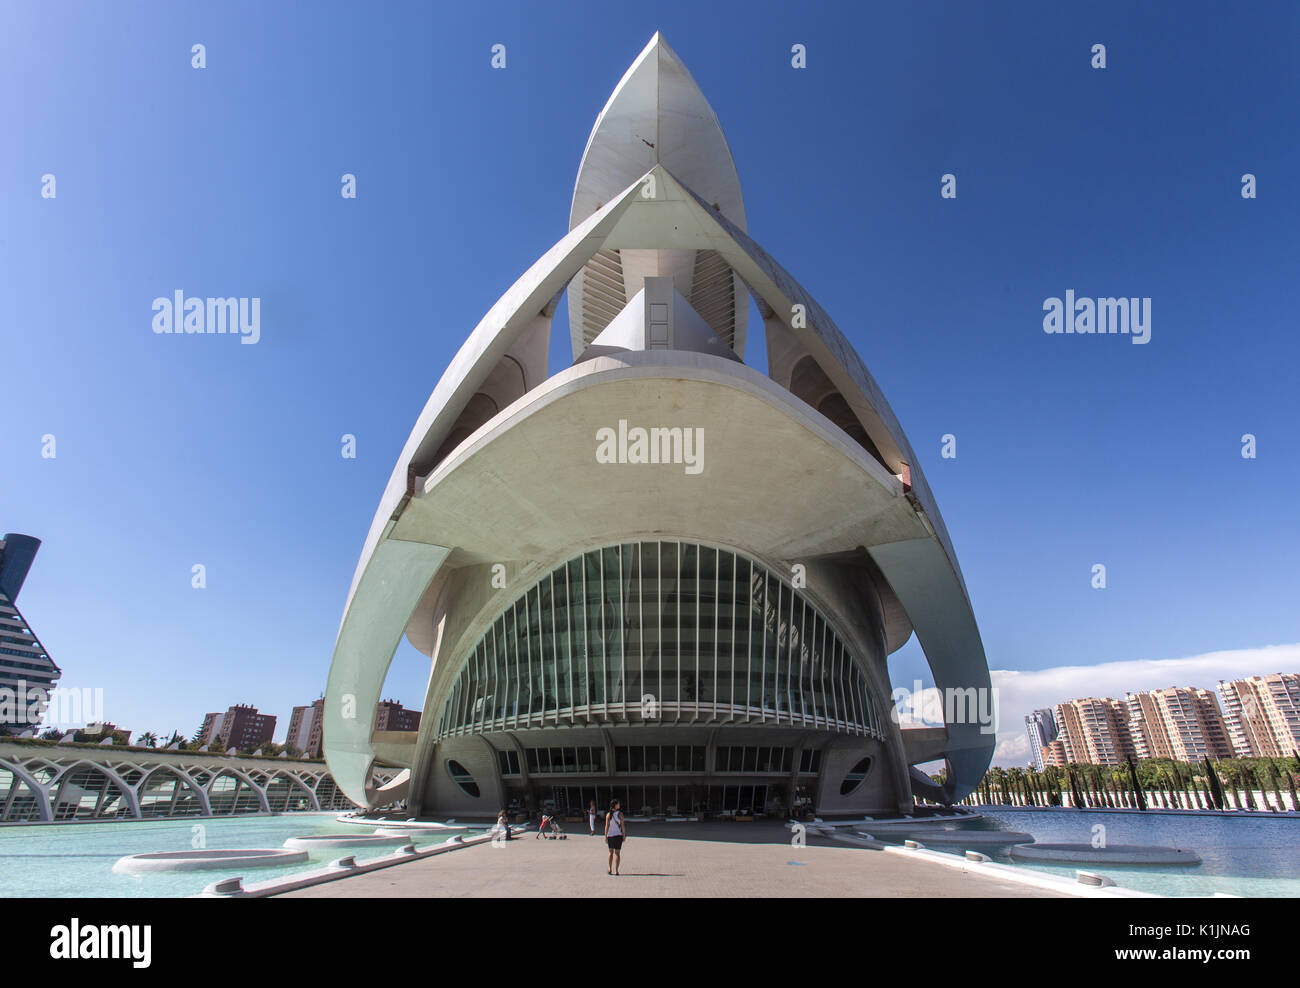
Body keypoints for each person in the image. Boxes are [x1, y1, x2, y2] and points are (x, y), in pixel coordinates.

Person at [604, 799, 625, 875]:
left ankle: (610, 869)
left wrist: (605, 836)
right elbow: (622, 825)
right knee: (617, 854)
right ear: (615, 805)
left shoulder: (608, 815)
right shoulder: (620, 814)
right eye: (618, 804)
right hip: (618, 836)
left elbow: (606, 826)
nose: (619, 805)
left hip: (610, 836)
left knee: (610, 853)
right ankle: (616, 870)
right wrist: (624, 835)